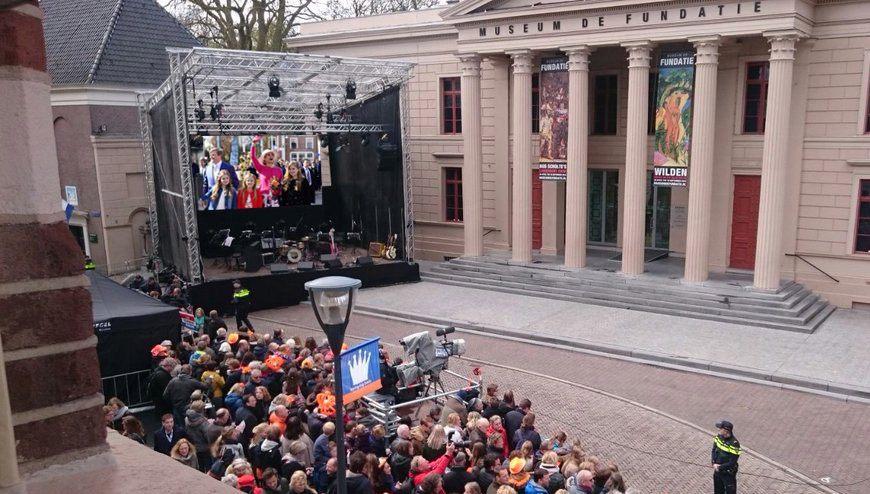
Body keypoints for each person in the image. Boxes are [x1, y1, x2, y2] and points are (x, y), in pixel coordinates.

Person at [250, 136, 284, 207]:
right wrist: (253, 144)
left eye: (272, 155)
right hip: (263, 197)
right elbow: (253, 157)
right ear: (264, 158)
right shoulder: (260, 168)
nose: (271, 156)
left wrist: (277, 188)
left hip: (275, 198)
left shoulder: (279, 170)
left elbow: (282, 183)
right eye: (268, 155)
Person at [712, 420, 740, 494]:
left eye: (720, 428)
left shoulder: (734, 444)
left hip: (728, 473)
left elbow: (732, 462)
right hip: (718, 471)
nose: (719, 430)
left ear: (726, 431)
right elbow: (714, 450)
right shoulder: (718, 437)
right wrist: (713, 463)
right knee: (718, 491)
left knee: (730, 491)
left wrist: (719, 467)